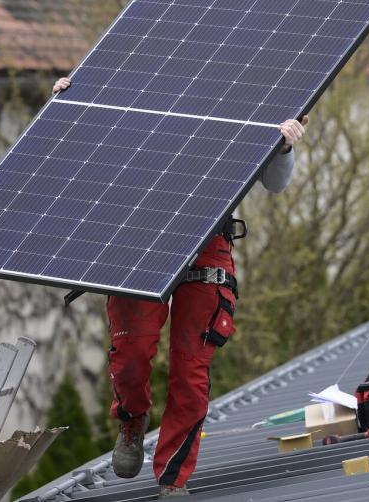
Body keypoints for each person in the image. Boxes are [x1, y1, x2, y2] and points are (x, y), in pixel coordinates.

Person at [52, 77, 308, 498]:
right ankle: (133, 421)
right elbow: (77, 150)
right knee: (132, 355)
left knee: (190, 371)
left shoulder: (248, 94)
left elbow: (276, 184)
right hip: (134, 238)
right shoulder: (138, 76)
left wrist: (283, 146)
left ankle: (173, 478)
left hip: (206, 241)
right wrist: (67, 104)